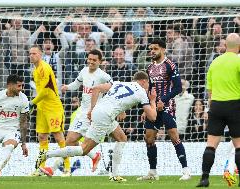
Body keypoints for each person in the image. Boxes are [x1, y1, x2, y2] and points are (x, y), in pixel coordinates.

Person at [39, 71, 157, 181]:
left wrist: (92, 109)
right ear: (144, 81)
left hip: (100, 110)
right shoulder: (141, 92)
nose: (148, 88)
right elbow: (152, 117)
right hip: (105, 116)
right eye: (148, 85)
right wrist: (152, 100)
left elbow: (96, 89)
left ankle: (114, 175)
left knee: (122, 138)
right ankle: (48, 154)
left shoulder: (118, 83)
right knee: (83, 149)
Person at [46, 49, 113, 175]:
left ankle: (52, 169)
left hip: (94, 113)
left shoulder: (103, 76)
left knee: (69, 141)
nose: (91, 62)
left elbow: (113, 88)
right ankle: (94, 156)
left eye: (94, 60)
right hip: (82, 111)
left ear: (100, 62)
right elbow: (76, 84)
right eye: (90, 59)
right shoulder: (84, 71)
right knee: (70, 140)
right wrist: (67, 87)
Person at [137, 39, 191, 181]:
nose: (152, 51)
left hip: (167, 106)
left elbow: (178, 88)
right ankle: (153, 172)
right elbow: (150, 89)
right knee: (149, 138)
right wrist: (146, 107)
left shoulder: (170, 65)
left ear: (163, 49)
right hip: (154, 107)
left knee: (174, 136)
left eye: (155, 49)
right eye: (151, 49)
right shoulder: (149, 68)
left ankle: (186, 171)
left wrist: (164, 100)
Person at [196, 33, 240, 187]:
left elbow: (209, 90)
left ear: (226, 46)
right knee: (238, 144)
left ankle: (204, 178)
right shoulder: (239, 61)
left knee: (211, 144)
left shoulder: (215, 62)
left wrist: (211, 107)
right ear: (239, 47)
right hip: (235, 105)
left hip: (216, 105)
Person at [28, 45, 70, 176]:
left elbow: (46, 90)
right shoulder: (34, 71)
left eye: (34, 53)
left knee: (58, 136)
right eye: (30, 53)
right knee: (42, 137)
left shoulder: (45, 68)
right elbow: (40, 91)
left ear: (40, 54)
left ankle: (67, 168)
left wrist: (32, 102)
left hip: (53, 107)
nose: (31, 55)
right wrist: (36, 104)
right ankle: (41, 168)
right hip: (42, 107)